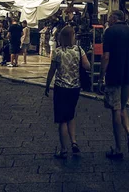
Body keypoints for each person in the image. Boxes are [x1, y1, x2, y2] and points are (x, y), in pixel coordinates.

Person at [99, 10, 129, 160]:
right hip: (127, 77)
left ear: (113, 18)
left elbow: (106, 57)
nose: (108, 20)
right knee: (123, 107)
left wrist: (101, 77)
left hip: (113, 76)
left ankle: (118, 148)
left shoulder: (109, 32)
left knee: (116, 110)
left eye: (109, 17)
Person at [44, 25, 90, 159]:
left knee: (62, 119)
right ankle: (74, 142)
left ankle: (63, 149)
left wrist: (47, 85)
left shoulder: (58, 52)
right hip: (75, 87)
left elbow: (52, 70)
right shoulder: (79, 50)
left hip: (61, 87)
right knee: (71, 115)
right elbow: (87, 66)